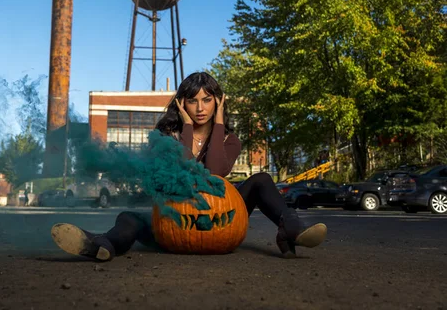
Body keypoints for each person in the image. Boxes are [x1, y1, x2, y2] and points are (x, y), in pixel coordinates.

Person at [51, 72, 327, 260]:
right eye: (192, 101)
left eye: (208, 100)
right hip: (173, 220)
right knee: (129, 218)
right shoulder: (164, 137)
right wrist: (185, 128)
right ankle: (101, 245)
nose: (200, 108)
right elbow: (182, 174)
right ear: (182, 104)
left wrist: (218, 123)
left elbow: (214, 173)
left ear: (217, 102)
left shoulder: (230, 140)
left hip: (220, 215)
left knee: (262, 180)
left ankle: (290, 228)